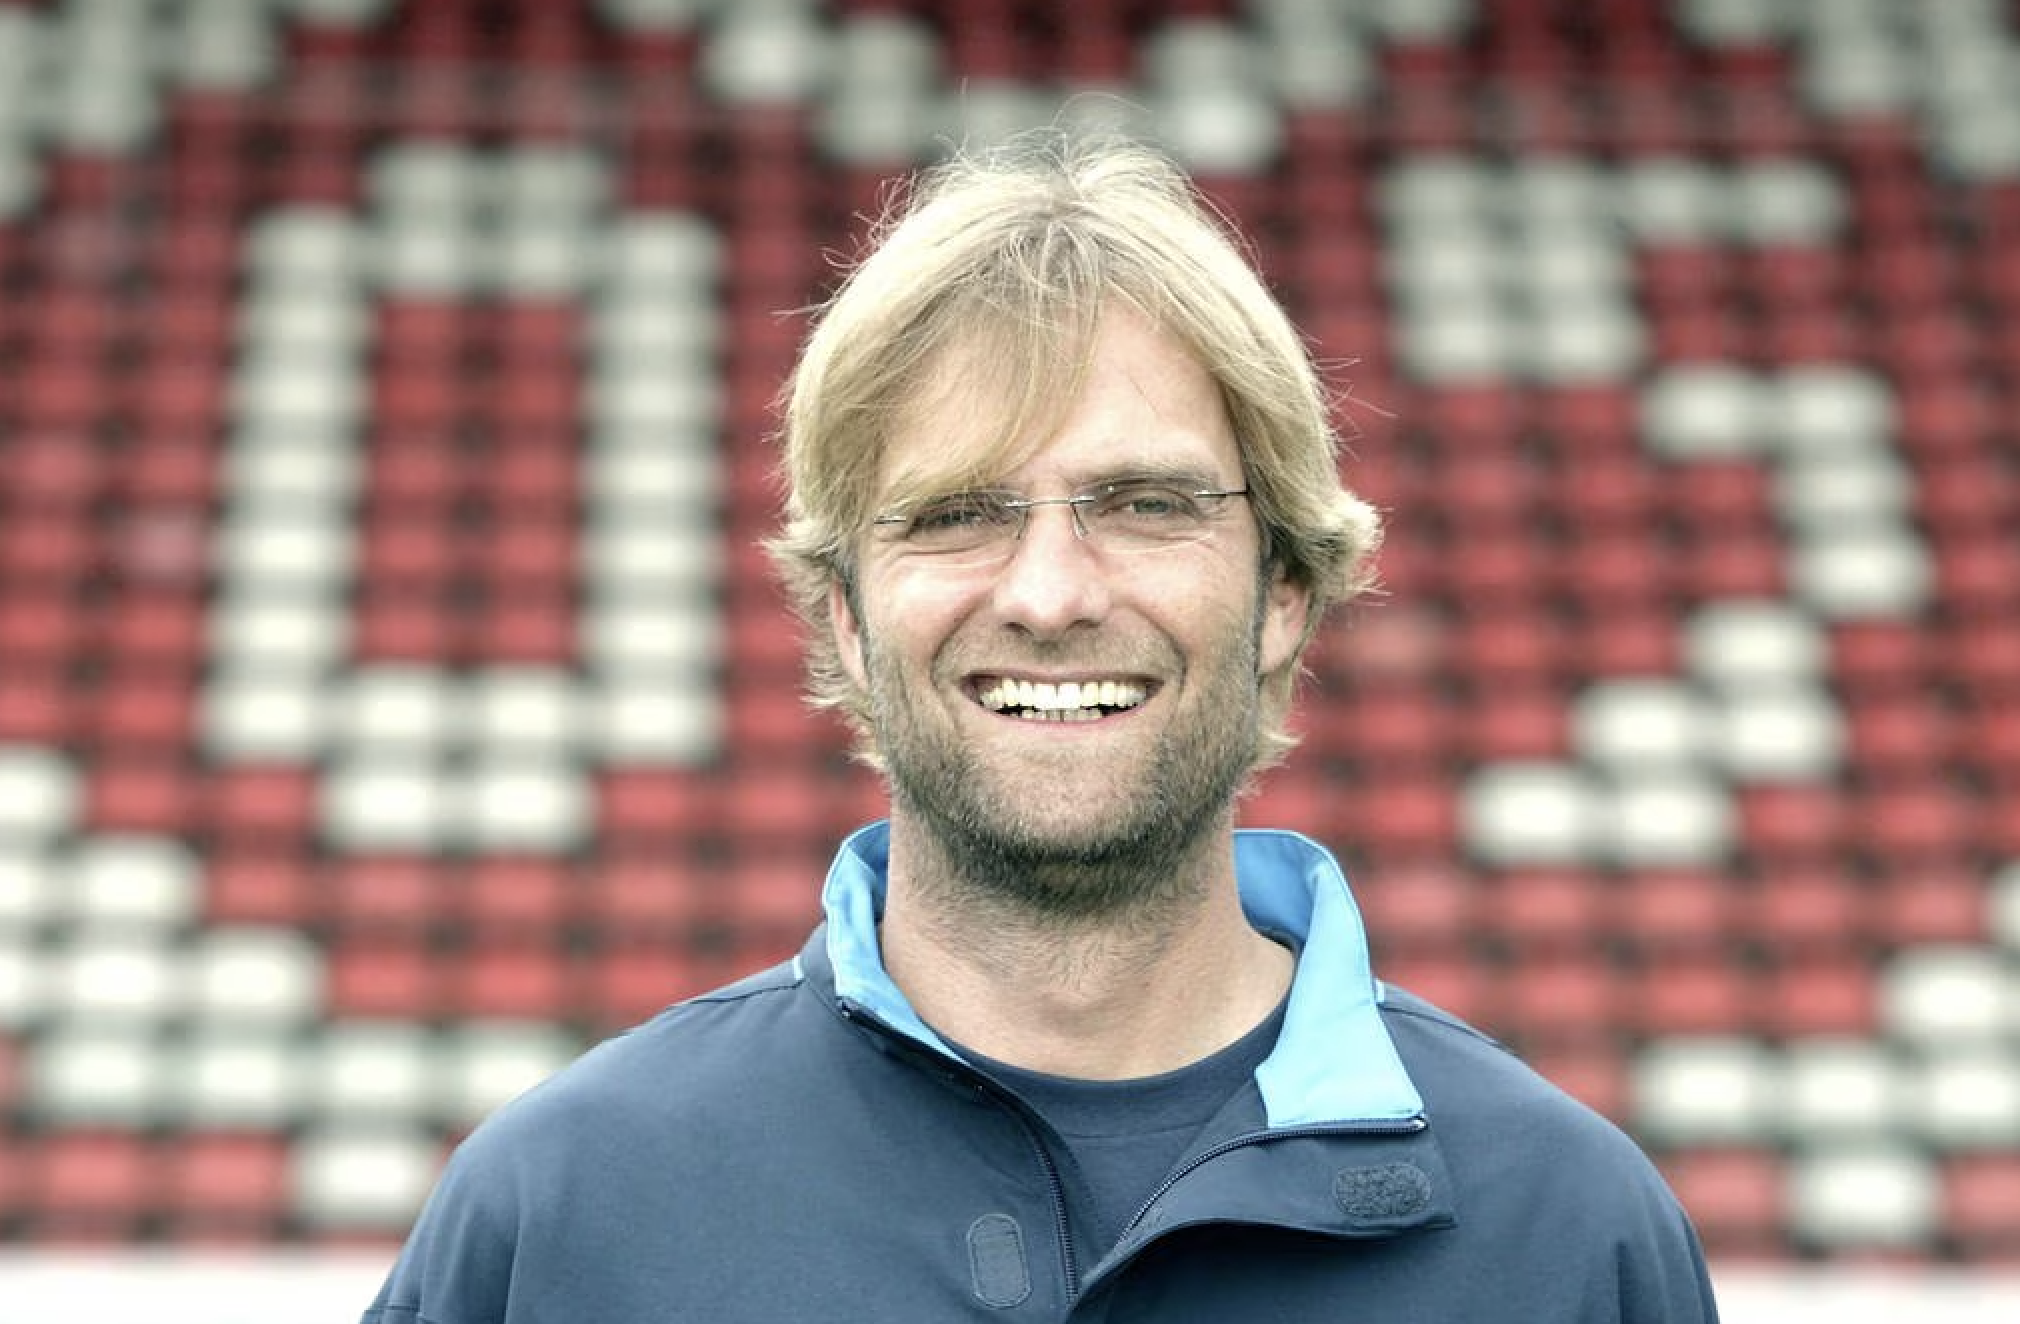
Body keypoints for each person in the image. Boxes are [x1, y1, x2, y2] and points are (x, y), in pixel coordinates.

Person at [362, 132, 1720, 1323]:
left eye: (1145, 503)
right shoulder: (562, 1214)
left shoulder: (1567, 1232)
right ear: (843, 614)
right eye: (956, 515)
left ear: (1286, 593)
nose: (1053, 596)